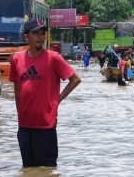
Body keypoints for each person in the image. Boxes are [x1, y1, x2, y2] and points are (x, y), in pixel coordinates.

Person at [9, 18, 81, 167]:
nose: (40, 37)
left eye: (43, 33)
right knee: (28, 168)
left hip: (46, 124)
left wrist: (57, 100)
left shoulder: (53, 58)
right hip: (24, 124)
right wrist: (19, 113)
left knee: (47, 168)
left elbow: (75, 79)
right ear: (26, 37)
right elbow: (17, 88)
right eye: (36, 33)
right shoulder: (17, 58)